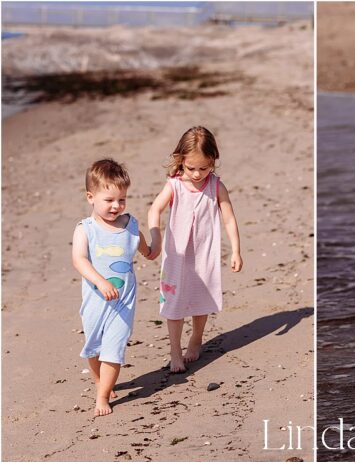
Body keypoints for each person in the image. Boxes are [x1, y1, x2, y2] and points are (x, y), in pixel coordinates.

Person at [148, 126, 243, 373]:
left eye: (204, 167)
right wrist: (155, 237)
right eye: (191, 168)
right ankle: (174, 350)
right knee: (175, 302)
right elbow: (154, 210)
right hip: (177, 255)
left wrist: (236, 250)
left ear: (213, 161)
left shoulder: (216, 186)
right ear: (181, 161)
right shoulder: (175, 185)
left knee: (202, 299)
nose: (198, 173)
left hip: (204, 254)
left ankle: (196, 338)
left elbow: (229, 219)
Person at [72, 159, 154, 416]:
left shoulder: (129, 224)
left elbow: (141, 243)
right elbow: (79, 260)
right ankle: (99, 381)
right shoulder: (86, 229)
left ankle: (103, 395)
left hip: (123, 302)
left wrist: (152, 247)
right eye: (109, 200)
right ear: (90, 197)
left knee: (114, 348)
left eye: (122, 199)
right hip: (96, 300)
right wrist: (100, 281)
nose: (116, 206)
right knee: (94, 346)